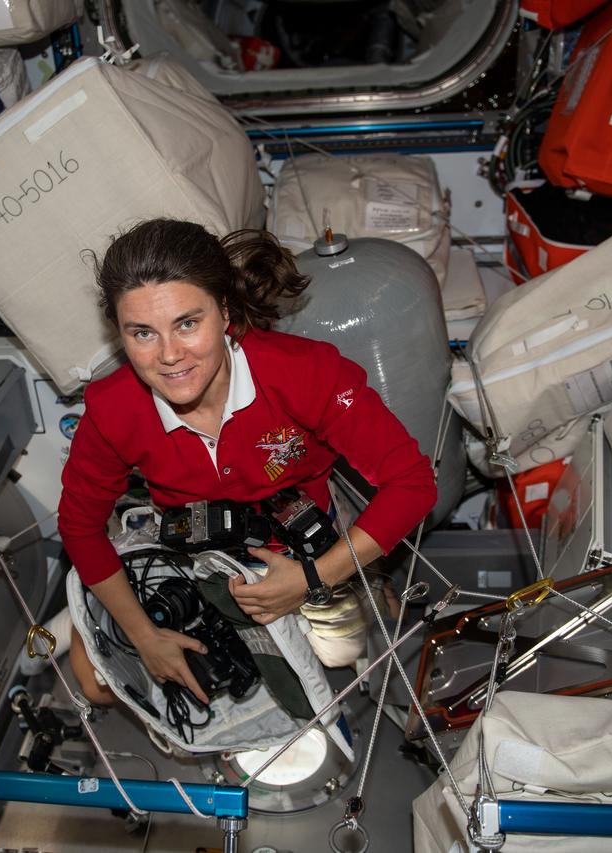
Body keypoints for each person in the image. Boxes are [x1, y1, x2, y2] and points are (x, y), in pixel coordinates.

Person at [59, 218, 437, 705]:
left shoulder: (306, 373)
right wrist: (144, 637)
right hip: (195, 547)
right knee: (95, 686)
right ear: (119, 333)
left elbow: (413, 483)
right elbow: (78, 525)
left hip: (309, 539)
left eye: (187, 323)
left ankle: (366, 588)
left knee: (342, 653)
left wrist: (313, 577)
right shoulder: (112, 409)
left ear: (224, 310)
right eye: (142, 333)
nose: (170, 356)